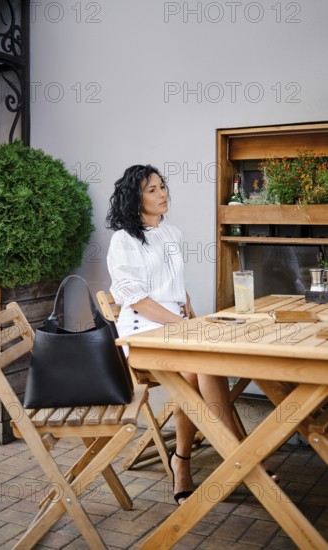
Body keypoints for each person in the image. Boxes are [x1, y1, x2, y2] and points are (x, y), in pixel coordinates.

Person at [106, 164, 243, 505]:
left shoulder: (173, 233)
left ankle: (193, 459)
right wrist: (181, 325)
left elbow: (176, 288)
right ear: (134, 198)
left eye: (162, 186)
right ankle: (240, 455)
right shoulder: (122, 241)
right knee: (195, 368)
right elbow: (135, 299)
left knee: (203, 366)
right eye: (152, 189)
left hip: (174, 326)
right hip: (141, 333)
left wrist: (191, 316)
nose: (162, 193)